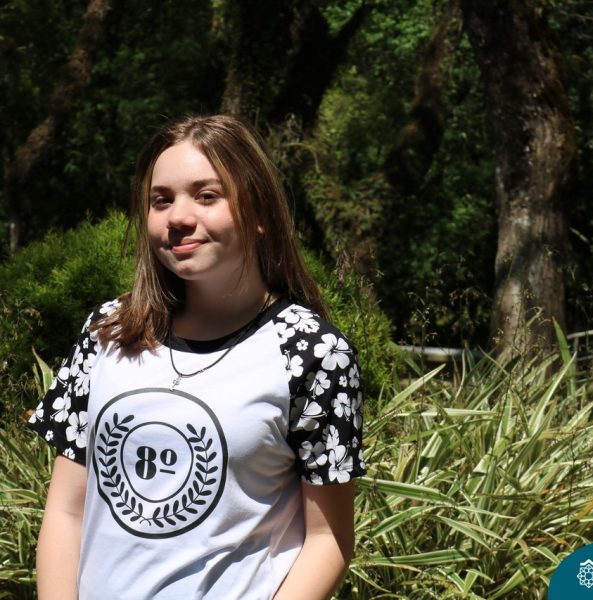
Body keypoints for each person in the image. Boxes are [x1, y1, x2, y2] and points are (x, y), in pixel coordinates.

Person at [28, 114, 365, 600]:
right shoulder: (107, 331)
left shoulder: (314, 354)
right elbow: (66, 511)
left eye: (207, 196)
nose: (178, 217)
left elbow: (327, 538)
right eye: (161, 200)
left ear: (258, 211)